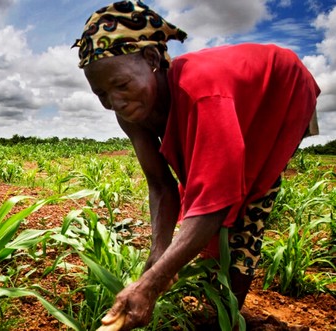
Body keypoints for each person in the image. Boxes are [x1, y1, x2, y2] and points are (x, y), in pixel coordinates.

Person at [73, 1, 320, 330]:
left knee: (244, 199)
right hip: (227, 102)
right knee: (206, 190)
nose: (115, 102)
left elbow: (215, 202)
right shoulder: (129, 110)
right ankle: (211, 277)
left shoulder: (202, 93)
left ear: (151, 60)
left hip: (279, 93)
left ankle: (227, 314)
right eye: (101, 94)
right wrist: (159, 254)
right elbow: (161, 185)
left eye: (121, 85)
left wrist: (151, 285)